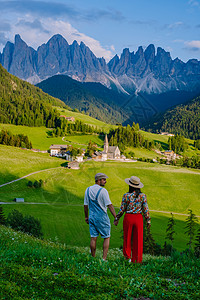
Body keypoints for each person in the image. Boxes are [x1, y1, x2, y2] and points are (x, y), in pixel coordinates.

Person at [114, 176, 151, 263]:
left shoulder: (126, 196)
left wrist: (117, 218)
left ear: (130, 185)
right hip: (138, 218)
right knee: (138, 238)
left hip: (128, 217)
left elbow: (122, 209)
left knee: (127, 237)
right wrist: (148, 220)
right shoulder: (142, 196)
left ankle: (127, 257)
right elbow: (145, 209)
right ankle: (137, 259)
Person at [84, 173, 116, 261]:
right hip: (102, 217)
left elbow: (85, 205)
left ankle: (93, 257)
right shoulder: (103, 191)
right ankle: (104, 258)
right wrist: (115, 217)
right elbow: (109, 205)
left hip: (92, 216)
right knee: (106, 236)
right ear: (98, 180)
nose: (105, 181)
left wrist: (86, 217)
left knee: (93, 238)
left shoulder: (88, 190)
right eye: (104, 179)